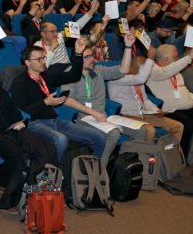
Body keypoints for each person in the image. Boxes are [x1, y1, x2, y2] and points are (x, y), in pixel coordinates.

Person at [0, 42, 58, 212]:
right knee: (15, 152)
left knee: (44, 147)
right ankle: (3, 191)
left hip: (7, 128)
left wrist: (20, 122)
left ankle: (41, 188)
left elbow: (11, 108)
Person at [60, 35, 150, 165]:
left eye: (92, 56)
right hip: (83, 117)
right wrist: (93, 112)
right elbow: (66, 99)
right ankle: (100, 169)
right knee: (113, 133)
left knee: (141, 130)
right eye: (87, 57)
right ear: (77, 58)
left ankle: (126, 165)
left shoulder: (99, 70)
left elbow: (124, 69)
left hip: (103, 117)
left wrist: (128, 46)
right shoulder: (70, 73)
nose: (92, 59)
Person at [11, 41, 107, 160]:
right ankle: (51, 170)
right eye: (39, 59)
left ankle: (91, 168)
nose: (43, 62)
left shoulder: (46, 75)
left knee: (99, 137)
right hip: (34, 123)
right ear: (27, 62)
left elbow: (73, 76)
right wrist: (46, 102)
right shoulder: (19, 82)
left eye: (44, 58)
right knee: (60, 139)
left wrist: (78, 54)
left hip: (54, 120)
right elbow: (21, 112)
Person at [146, 44, 193, 157]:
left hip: (186, 108)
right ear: (165, 59)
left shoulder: (176, 72)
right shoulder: (152, 70)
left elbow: (183, 88)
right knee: (187, 124)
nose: (178, 59)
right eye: (175, 57)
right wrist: (189, 58)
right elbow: (165, 72)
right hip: (169, 110)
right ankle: (184, 157)